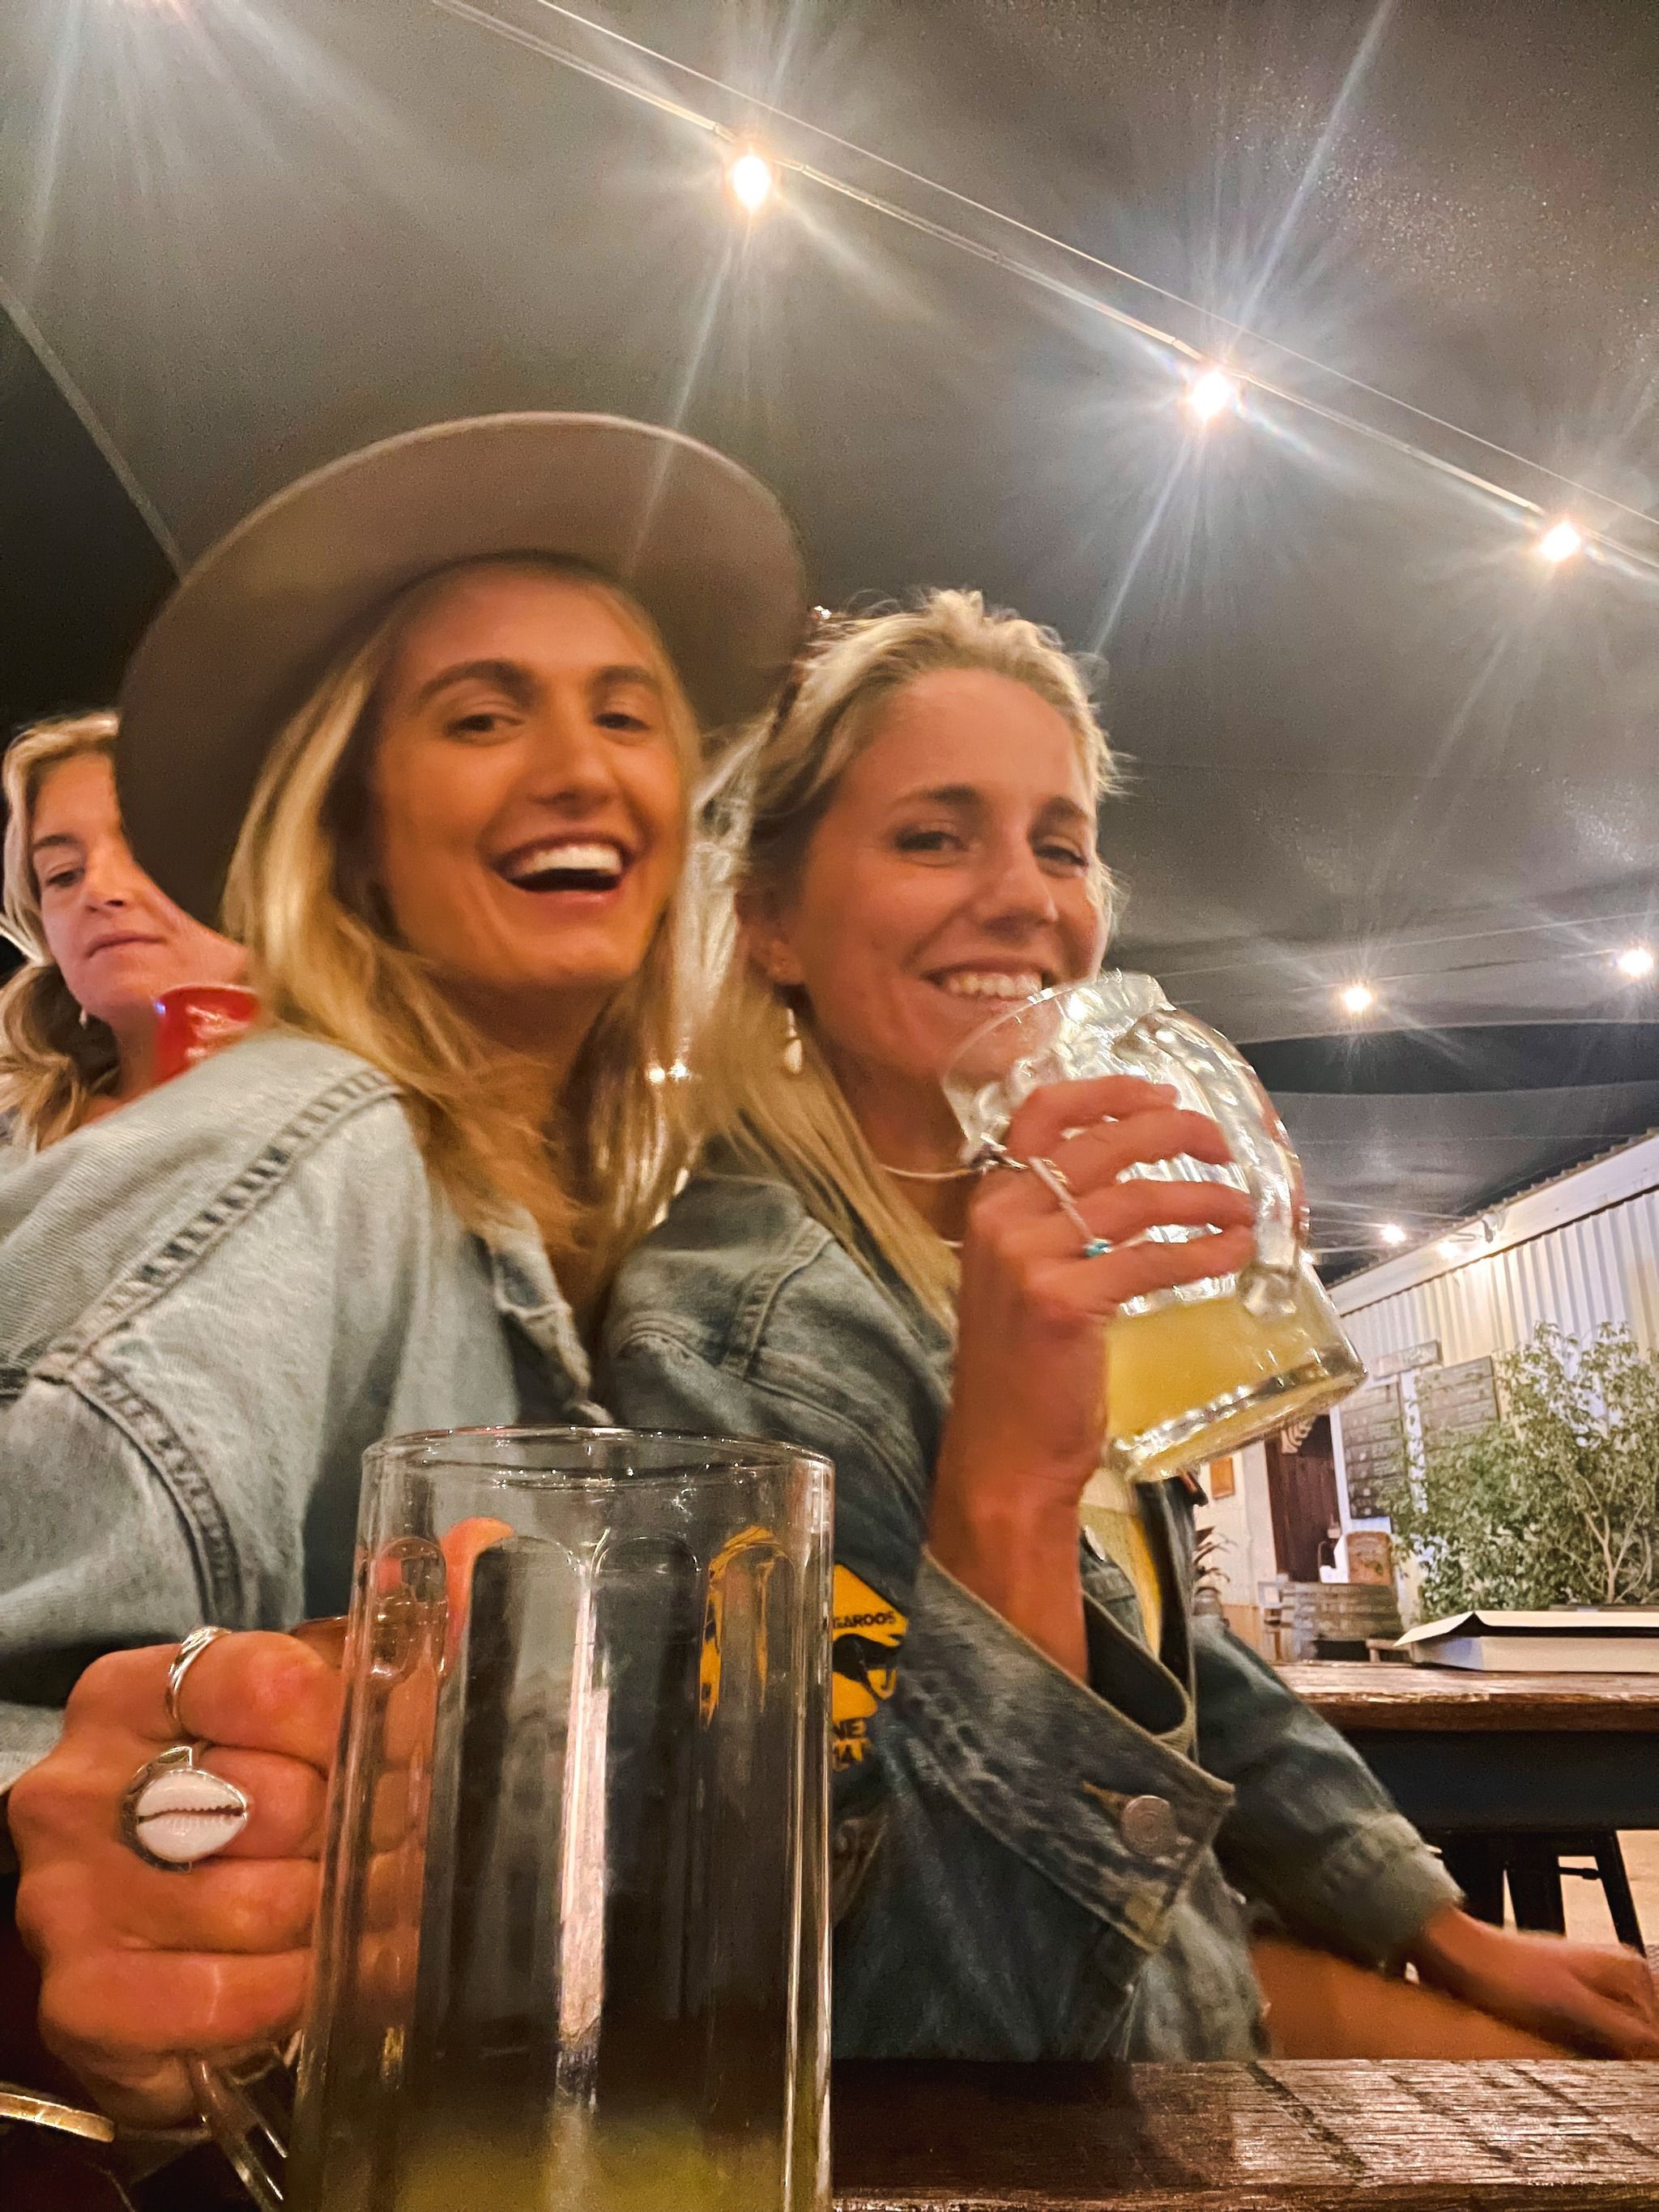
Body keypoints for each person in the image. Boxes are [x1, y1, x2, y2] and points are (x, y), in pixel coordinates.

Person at [599, 590, 1659, 2064]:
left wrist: (1434, 1921)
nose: (1023, 898)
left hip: (1182, 1985)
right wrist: (1009, 1487)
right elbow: (916, 2002)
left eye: (1060, 843)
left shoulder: (1029, 1249)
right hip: (1029, 2080)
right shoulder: (734, 1340)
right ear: (772, 920)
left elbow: (1178, 1663)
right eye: (933, 835)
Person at [3, 411, 806, 2123]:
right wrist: (92, 1865)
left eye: (626, 714)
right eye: (481, 715)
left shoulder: (569, 1224)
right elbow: (55, 1749)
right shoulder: (301, 1146)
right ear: (354, 828)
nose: (581, 768)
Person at [0, 711, 246, 1146]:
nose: (98, 889)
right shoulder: (13, 1133)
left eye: (148, 854)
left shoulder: (354, 1115)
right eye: (63, 874)